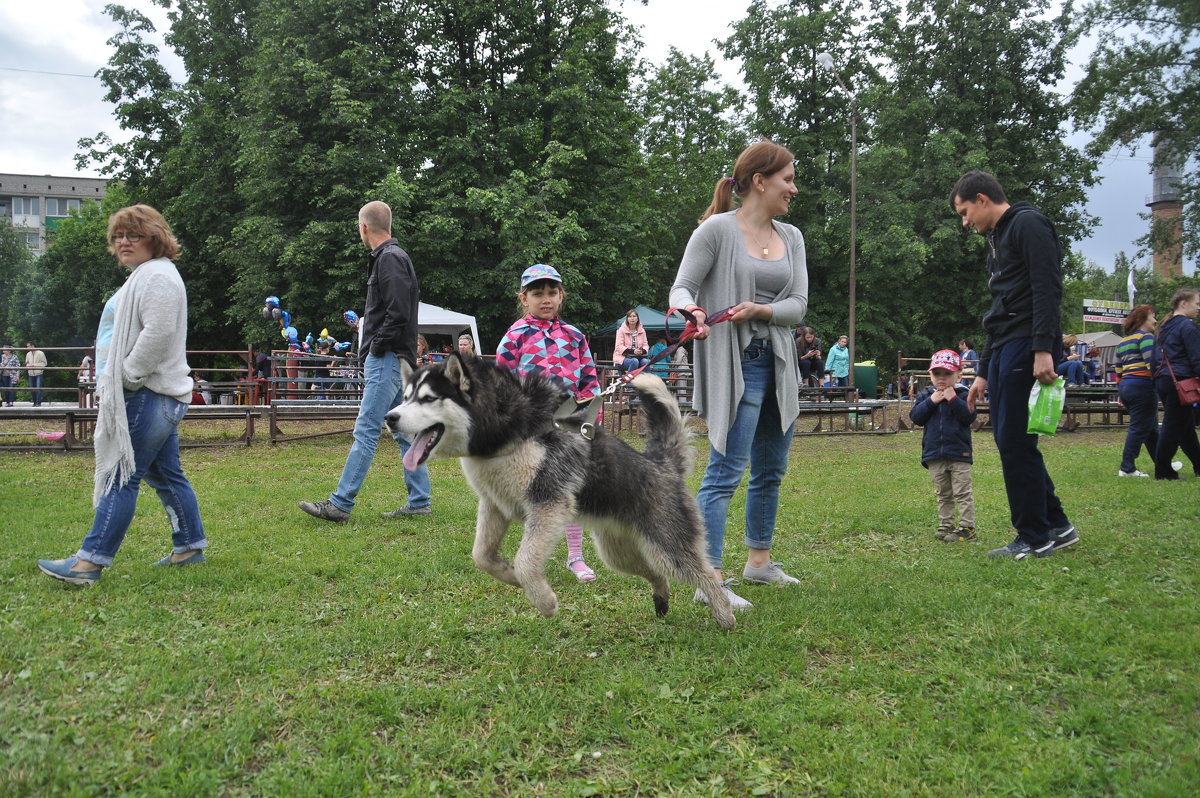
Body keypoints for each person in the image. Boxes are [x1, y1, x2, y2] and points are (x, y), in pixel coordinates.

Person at [668, 139, 809, 611]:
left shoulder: (792, 237)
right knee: (725, 471)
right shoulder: (715, 231)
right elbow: (683, 286)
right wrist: (692, 312)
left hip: (781, 365)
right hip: (737, 364)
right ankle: (707, 579)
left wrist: (764, 309)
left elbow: (799, 305)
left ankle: (759, 562)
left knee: (771, 469)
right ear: (759, 181)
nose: (794, 188)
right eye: (787, 179)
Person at [36, 204, 207, 585]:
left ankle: (89, 562)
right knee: (167, 475)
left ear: (155, 237)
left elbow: (158, 332)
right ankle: (190, 547)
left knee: (120, 475)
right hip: (157, 394)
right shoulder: (147, 275)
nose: (124, 242)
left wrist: (127, 376)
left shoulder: (157, 276)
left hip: (149, 393)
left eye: (134, 234)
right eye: (118, 236)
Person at [951, 169, 1078, 559]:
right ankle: (1057, 525)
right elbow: (999, 311)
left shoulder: (1028, 224)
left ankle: (1034, 536)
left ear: (983, 199)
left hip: (1027, 345)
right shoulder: (998, 237)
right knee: (1013, 440)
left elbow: (1048, 287)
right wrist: (983, 372)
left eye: (965, 211)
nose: (965, 221)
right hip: (1006, 346)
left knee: (1014, 441)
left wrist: (1043, 348)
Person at [299, 201, 432, 521]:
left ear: (363, 228)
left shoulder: (389, 259)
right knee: (404, 432)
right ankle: (419, 501)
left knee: (366, 430)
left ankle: (340, 503)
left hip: (387, 358)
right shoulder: (392, 258)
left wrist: (376, 347)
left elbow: (398, 313)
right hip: (393, 357)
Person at [496, 263, 602, 582]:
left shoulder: (574, 336)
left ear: (560, 296)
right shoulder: (515, 335)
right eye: (537, 293)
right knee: (537, 492)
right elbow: (502, 382)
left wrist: (589, 418)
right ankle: (529, 555)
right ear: (523, 298)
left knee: (572, 487)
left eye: (552, 292)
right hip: (531, 425)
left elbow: (590, 382)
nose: (546, 299)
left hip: (569, 420)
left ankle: (576, 556)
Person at [909, 349, 977, 542]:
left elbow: (968, 417)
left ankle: (967, 527)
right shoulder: (926, 397)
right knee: (943, 492)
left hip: (959, 453)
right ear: (930, 375)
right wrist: (932, 401)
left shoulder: (964, 395)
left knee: (962, 492)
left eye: (947, 374)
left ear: (959, 375)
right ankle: (946, 524)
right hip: (934, 454)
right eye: (937, 373)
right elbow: (916, 418)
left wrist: (952, 398)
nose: (942, 378)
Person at [1152, 288, 1200, 480]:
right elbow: (1196, 357)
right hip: (1181, 382)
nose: (1199, 308)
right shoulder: (1187, 327)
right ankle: (1163, 471)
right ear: (1183, 303)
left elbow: (1156, 357)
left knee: (1185, 427)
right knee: (1172, 427)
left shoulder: (1164, 327)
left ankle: (1199, 465)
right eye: (1197, 303)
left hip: (1164, 380)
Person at [1115, 304, 1161, 477]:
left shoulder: (1122, 342)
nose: (1155, 320)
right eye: (1153, 316)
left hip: (1127, 386)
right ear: (1143, 319)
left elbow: (1119, 371)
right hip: (1143, 387)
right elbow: (1152, 366)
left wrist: (1121, 392)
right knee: (1139, 428)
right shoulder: (1147, 337)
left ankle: (1162, 463)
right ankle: (1127, 467)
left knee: (1151, 429)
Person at [613, 308, 650, 373]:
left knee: (646, 362)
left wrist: (642, 351)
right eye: (630, 316)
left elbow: (645, 345)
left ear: (637, 318)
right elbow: (619, 346)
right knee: (634, 361)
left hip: (639, 357)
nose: (632, 318)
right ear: (627, 319)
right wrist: (633, 351)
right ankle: (629, 381)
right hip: (623, 358)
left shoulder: (642, 331)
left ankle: (646, 381)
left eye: (634, 316)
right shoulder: (621, 330)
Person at [25, 341, 47, 406]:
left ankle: (38, 402)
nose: (27, 348)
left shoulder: (40, 353)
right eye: (27, 346)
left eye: (28, 346)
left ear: (33, 346)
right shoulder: (28, 354)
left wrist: (33, 365)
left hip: (38, 373)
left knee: (38, 388)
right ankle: (34, 402)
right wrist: (27, 365)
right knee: (32, 389)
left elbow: (44, 363)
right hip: (30, 374)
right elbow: (26, 363)